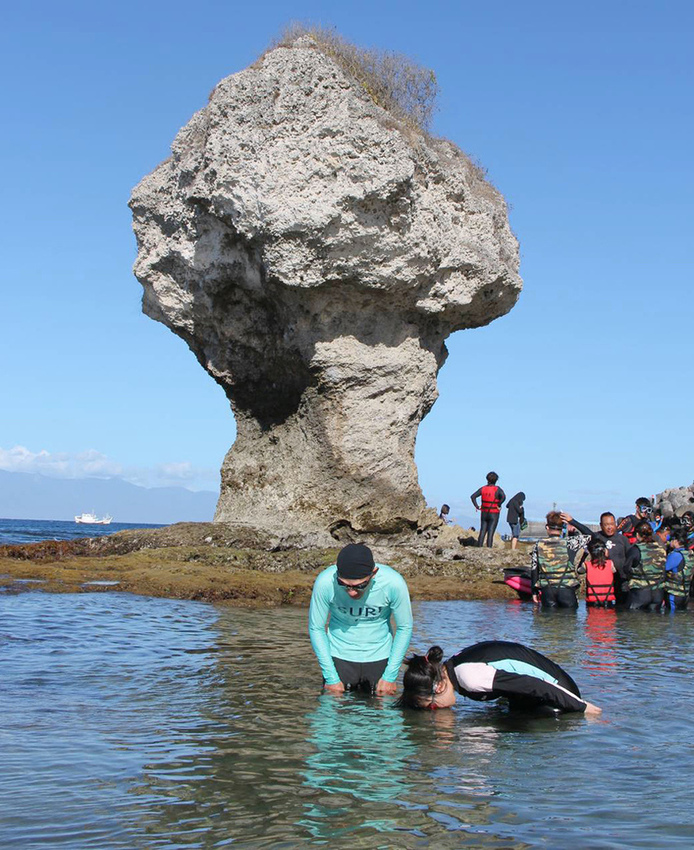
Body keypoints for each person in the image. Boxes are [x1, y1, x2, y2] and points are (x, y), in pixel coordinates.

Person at [308, 543, 413, 696]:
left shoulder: (394, 583)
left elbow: (405, 627)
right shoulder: (325, 582)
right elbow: (316, 628)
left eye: (360, 586)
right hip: (339, 656)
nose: (351, 592)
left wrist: (390, 676)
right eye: (344, 585)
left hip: (380, 657)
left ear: (374, 573)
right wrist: (331, 677)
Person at [396, 641, 601, 715]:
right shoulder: (454, 667)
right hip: (536, 691)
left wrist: (581, 707)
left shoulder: (469, 677)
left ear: (439, 687)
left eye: (432, 707)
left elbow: (534, 685)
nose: (437, 711)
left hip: (558, 690)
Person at [565, 512, 632, 606]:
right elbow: (585, 531)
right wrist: (572, 521)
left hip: (621, 580)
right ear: (601, 525)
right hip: (602, 581)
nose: (609, 527)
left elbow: (630, 558)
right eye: (606, 525)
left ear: (615, 524)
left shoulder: (623, 539)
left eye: (612, 524)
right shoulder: (597, 537)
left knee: (622, 608)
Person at [530, 511, 580, 608]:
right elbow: (592, 536)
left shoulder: (538, 544)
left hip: (547, 591)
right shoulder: (570, 542)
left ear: (547, 527)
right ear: (562, 528)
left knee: (548, 617)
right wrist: (572, 521)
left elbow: (534, 569)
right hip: (567, 590)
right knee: (570, 616)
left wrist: (534, 592)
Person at [626, 520, 666, 611]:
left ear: (637, 535)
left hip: (640, 593)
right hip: (658, 593)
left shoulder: (635, 549)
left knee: (633, 617)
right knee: (655, 618)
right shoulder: (661, 549)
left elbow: (626, 569)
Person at [470, 472, 506, 548]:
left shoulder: (483, 488)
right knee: (490, 533)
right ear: (496, 480)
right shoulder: (497, 489)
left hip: (484, 513)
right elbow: (503, 497)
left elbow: (473, 497)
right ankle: (489, 549)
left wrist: (477, 506)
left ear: (487, 479)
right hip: (494, 513)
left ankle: (479, 547)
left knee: (482, 531)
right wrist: (499, 505)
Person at [664, 529, 694, 611]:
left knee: (672, 616)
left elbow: (663, 569)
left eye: (671, 540)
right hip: (685, 594)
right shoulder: (690, 553)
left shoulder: (675, 555)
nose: (669, 542)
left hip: (674, 594)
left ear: (676, 541)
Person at [584, 538, 616, 607]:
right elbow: (614, 571)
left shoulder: (586, 565)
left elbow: (579, 571)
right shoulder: (610, 563)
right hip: (607, 602)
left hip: (593, 603)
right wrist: (606, 557)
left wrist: (584, 555)